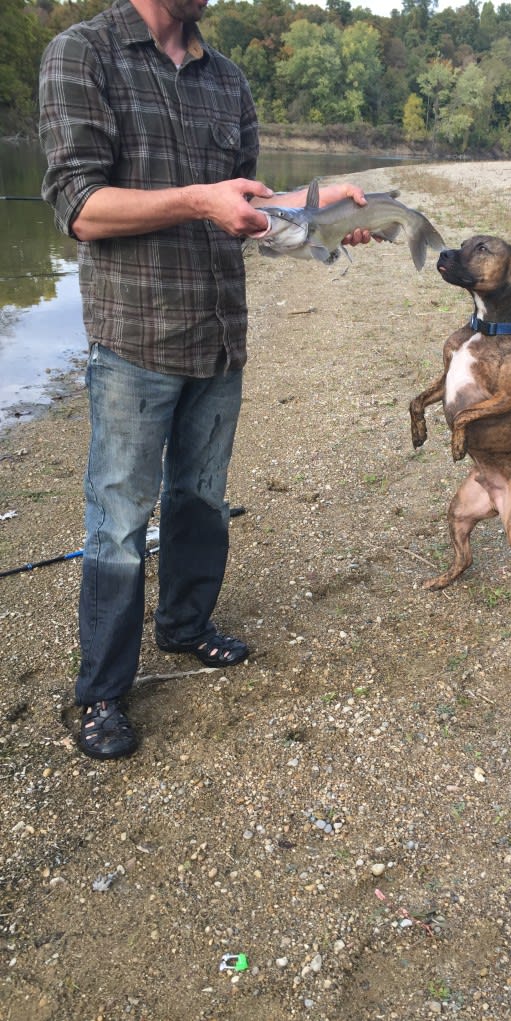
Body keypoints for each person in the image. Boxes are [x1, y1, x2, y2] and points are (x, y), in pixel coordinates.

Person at [38, 0, 371, 761]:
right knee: (119, 514)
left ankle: (186, 626)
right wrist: (196, 199)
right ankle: (102, 693)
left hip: (219, 335)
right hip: (134, 338)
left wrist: (320, 210)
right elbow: (80, 207)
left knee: (200, 495)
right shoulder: (81, 54)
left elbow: (252, 215)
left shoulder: (228, 79)